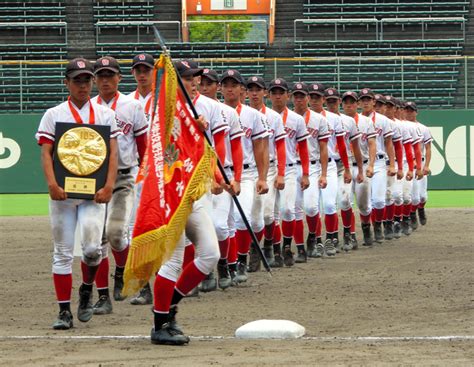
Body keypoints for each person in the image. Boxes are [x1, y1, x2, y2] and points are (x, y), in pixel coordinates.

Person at [36, 58, 120, 329]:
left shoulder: (105, 115)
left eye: (86, 80)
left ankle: (86, 290)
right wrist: (52, 184)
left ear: (92, 82)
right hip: (63, 194)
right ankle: (63, 311)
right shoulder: (54, 113)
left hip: (93, 194)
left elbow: (112, 153)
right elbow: (46, 152)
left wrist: (109, 186)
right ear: (67, 83)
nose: (82, 85)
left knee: (93, 248)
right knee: (61, 252)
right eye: (77, 80)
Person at [151, 61, 222, 345]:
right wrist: (191, 131)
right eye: (189, 78)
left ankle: (170, 308)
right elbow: (165, 151)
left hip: (195, 190)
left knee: (209, 254)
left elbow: (205, 151)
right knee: (173, 260)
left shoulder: (198, 110)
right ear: (175, 82)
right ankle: (159, 324)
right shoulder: (164, 109)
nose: (195, 82)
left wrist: (218, 176)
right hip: (173, 190)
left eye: (197, 78)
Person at [90, 56, 148, 314]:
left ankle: (123, 273)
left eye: (109, 75)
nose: (105, 80)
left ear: (118, 78)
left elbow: (142, 143)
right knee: (96, 239)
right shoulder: (87, 107)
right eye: (100, 76)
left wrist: (144, 172)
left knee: (116, 234)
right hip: (95, 178)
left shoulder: (132, 106)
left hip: (125, 176)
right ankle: (103, 297)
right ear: (95, 80)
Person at [220, 69, 269, 282]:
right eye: (226, 84)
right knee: (223, 223)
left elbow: (261, 148)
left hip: (247, 173)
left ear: (242, 89)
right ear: (220, 88)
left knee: (242, 218)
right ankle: (228, 264)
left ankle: (240, 260)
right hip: (220, 173)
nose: (230, 88)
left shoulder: (253, 115)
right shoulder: (215, 111)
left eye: (234, 84)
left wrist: (262, 177)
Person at [198, 67, 244, 290]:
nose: (205, 87)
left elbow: (233, 146)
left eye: (209, 83)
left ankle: (224, 264)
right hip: (196, 173)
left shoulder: (226, 111)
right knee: (201, 225)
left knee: (220, 225)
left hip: (222, 174)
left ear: (217, 86)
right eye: (202, 82)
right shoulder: (190, 108)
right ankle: (205, 270)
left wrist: (234, 177)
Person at [268, 78, 310, 266]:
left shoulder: (296, 119)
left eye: (281, 92)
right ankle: (275, 250)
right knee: (270, 214)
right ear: (269, 96)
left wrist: (307, 173)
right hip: (269, 168)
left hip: (291, 169)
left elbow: (303, 147)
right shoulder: (263, 116)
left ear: (287, 95)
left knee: (287, 209)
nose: (277, 96)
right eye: (274, 93)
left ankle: (286, 246)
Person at [246, 75, 287, 270]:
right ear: (246, 93)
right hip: (247, 169)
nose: (254, 93)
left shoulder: (273, 117)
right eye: (251, 89)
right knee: (252, 214)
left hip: (268, 168)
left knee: (269, 214)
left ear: (264, 93)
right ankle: (255, 248)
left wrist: (280, 172)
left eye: (258, 89)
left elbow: (280, 146)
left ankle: (268, 244)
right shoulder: (239, 114)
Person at [308, 83, 352, 256]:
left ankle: (331, 238)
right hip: (310, 165)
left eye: (317, 97)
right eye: (311, 97)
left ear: (323, 99)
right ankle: (316, 240)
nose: (314, 100)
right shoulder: (303, 118)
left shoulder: (334, 119)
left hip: (331, 164)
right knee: (312, 206)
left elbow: (341, 145)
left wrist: (347, 168)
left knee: (328, 204)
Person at [127, 52, 155, 306]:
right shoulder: (126, 103)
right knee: (137, 229)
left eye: (146, 69)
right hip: (138, 171)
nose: (142, 73)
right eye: (138, 69)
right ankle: (145, 284)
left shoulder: (167, 100)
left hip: (166, 169)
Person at [291, 82, 330, 259]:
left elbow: (323, 148)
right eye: (296, 96)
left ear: (307, 98)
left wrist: (323, 173)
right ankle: (300, 248)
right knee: (294, 209)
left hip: (312, 166)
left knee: (312, 207)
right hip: (291, 167)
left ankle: (313, 238)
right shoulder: (285, 118)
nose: (299, 99)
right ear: (292, 98)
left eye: (302, 96)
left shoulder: (319, 119)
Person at [324, 88, 364, 251]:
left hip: (343, 165)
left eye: (334, 100)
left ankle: (349, 233)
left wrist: (360, 170)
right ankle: (331, 236)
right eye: (329, 101)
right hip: (326, 165)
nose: (332, 103)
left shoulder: (348, 121)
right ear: (325, 102)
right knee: (329, 204)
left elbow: (356, 147)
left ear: (339, 102)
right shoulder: (319, 119)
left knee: (345, 200)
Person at [358, 88, 396, 244]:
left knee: (379, 201)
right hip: (361, 163)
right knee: (364, 203)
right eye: (363, 99)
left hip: (379, 162)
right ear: (359, 102)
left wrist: (392, 164)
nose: (366, 102)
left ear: (374, 102)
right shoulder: (354, 120)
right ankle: (366, 228)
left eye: (369, 99)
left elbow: (388, 143)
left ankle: (378, 226)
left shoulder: (383, 120)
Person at [341, 91, 377, 247]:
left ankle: (366, 228)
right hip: (345, 167)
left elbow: (372, 143)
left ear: (357, 104)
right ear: (342, 104)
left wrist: (370, 165)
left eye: (352, 102)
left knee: (363, 204)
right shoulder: (338, 121)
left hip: (361, 165)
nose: (349, 105)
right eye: (346, 102)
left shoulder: (366, 122)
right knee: (344, 201)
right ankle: (350, 235)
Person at [404, 101, 432, 228]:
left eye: (411, 110)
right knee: (413, 197)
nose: (409, 112)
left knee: (423, 196)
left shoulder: (423, 128)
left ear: (416, 112)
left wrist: (426, 165)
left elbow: (428, 148)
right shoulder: (400, 127)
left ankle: (421, 209)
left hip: (419, 162)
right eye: (407, 110)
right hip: (406, 163)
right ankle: (412, 214)